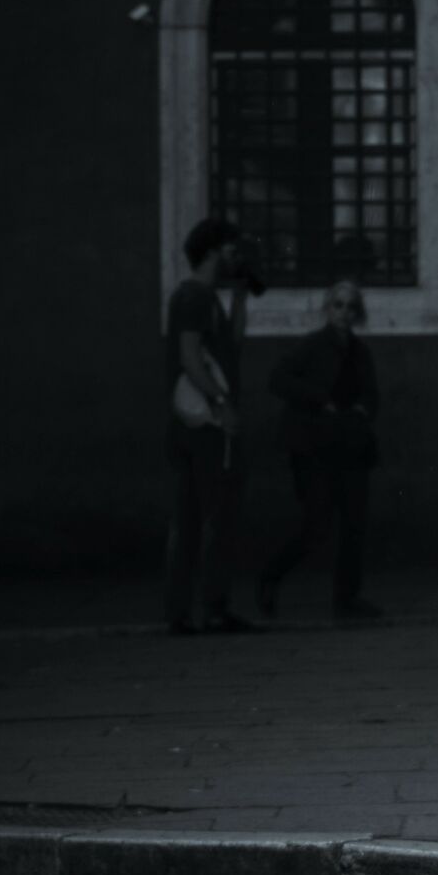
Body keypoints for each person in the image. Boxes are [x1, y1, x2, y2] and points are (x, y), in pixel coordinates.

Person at [256, 280, 382, 623]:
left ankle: (347, 599)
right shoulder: (311, 346)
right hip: (315, 449)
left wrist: (360, 411)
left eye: (350, 307)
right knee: (317, 525)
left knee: (354, 523)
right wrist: (318, 399)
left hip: (350, 447)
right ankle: (270, 577)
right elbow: (278, 379)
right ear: (328, 309)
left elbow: (371, 395)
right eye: (338, 305)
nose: (344, 313)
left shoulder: (359, 352)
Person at [164, 215, 254, 637]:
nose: (238, 256)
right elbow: (190, 357)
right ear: (216, 250)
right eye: (233, 249)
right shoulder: (193, 298)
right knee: (210, 517)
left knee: (197, 518)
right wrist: (221, 404)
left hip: (200, 426)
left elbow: (230, 347)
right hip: (204, 427)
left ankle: (188, 610)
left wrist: (239, 297)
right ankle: (207, 608)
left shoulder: (207, 298)